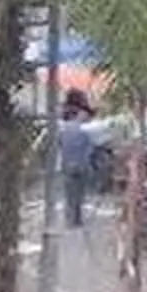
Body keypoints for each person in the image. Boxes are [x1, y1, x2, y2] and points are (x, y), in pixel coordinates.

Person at [55, 93, 97, 229]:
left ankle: (70, 218)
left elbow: (60, 144)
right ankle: (77, 218)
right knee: (79, 192)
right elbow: (90, 147)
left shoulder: (63, 127)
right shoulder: (86, 129)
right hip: (81, 163)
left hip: (68, 163)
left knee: (70, 192)